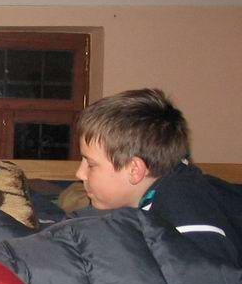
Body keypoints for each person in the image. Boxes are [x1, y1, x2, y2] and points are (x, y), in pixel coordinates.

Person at [75, 87, 240, 264]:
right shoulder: (156, 191)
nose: (79, 173)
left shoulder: (183, 210)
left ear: (134, 170)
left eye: (91, 164)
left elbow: (213, 276)